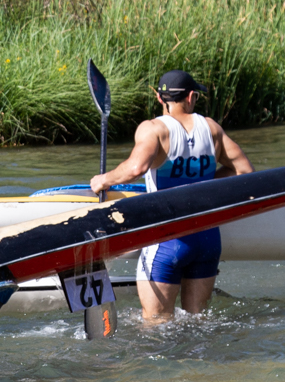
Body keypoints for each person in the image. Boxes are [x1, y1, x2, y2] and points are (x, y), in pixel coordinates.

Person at [87, 70, 253, 325]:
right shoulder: (212, 129)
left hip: (166, 240)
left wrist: (104, 180)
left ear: (159, 97)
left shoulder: (154, 129)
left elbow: (136, 168)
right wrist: (205, 185)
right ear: (190, 97)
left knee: (156, 326)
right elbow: (244, 171)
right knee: (198, 325)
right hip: (207, 238)